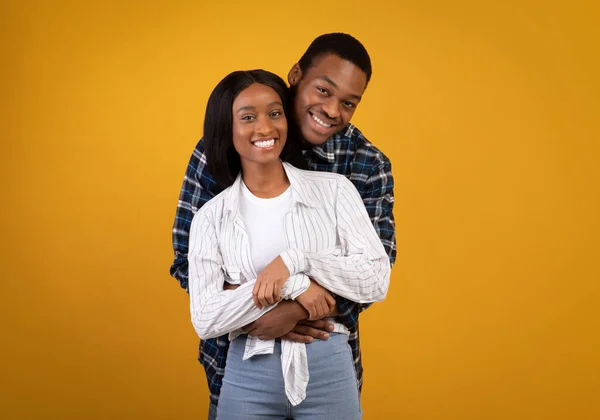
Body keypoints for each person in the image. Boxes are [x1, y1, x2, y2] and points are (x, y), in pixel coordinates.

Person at [170, 33, 396, 418]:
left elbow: (374, 269)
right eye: (323, 90)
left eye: (348, 103)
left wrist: (298, 309)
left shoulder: (364, 164)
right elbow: (187, 263)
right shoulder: (221, 149)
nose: (331, 109)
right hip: (236, 362)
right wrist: (264, 307)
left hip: (325, 358)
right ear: (296, 76)